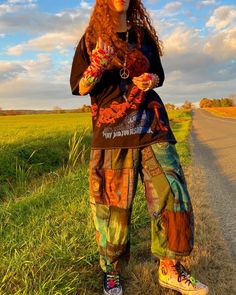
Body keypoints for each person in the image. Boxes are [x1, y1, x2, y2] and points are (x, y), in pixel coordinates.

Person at [70, 0, 209, 294]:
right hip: (111, 134)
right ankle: (112, 272)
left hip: (152, 126)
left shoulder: (142, 35)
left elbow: (160, 75)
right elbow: (80, 86)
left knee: (173, 195)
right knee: (112, 209)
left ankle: (170, 268)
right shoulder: (92, 37)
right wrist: (98, 63)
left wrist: (151, 80)